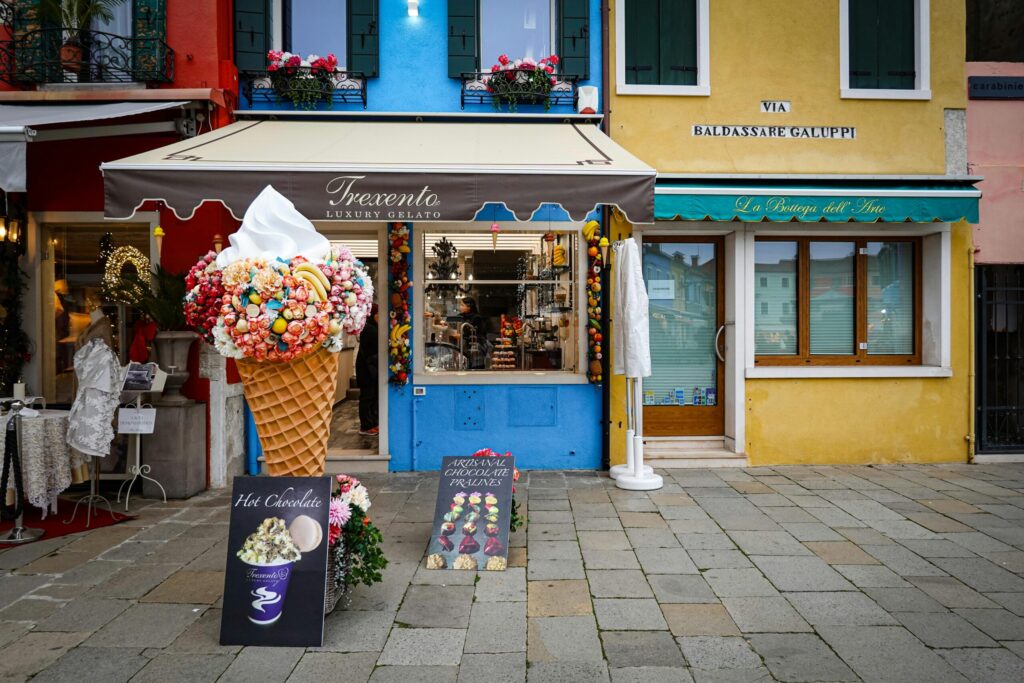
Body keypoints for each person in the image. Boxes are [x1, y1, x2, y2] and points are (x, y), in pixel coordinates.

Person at [356, 305, 379, 436]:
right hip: (366, 370)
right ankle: (366, 426)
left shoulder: (372, 327)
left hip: (371, 369)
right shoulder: (369, 329)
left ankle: (373, 423)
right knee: (367, 398)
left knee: (372, 397)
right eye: (378, 315)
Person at [452, 297, 487, 369]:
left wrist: (462, 336)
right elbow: (449, 320)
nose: (460, 307)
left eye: (462, 305)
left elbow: (479, 335)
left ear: (469, 307)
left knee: (475, 367)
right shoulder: (461, 316)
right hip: (464, 347)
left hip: (475, 348)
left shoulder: (477, 318)